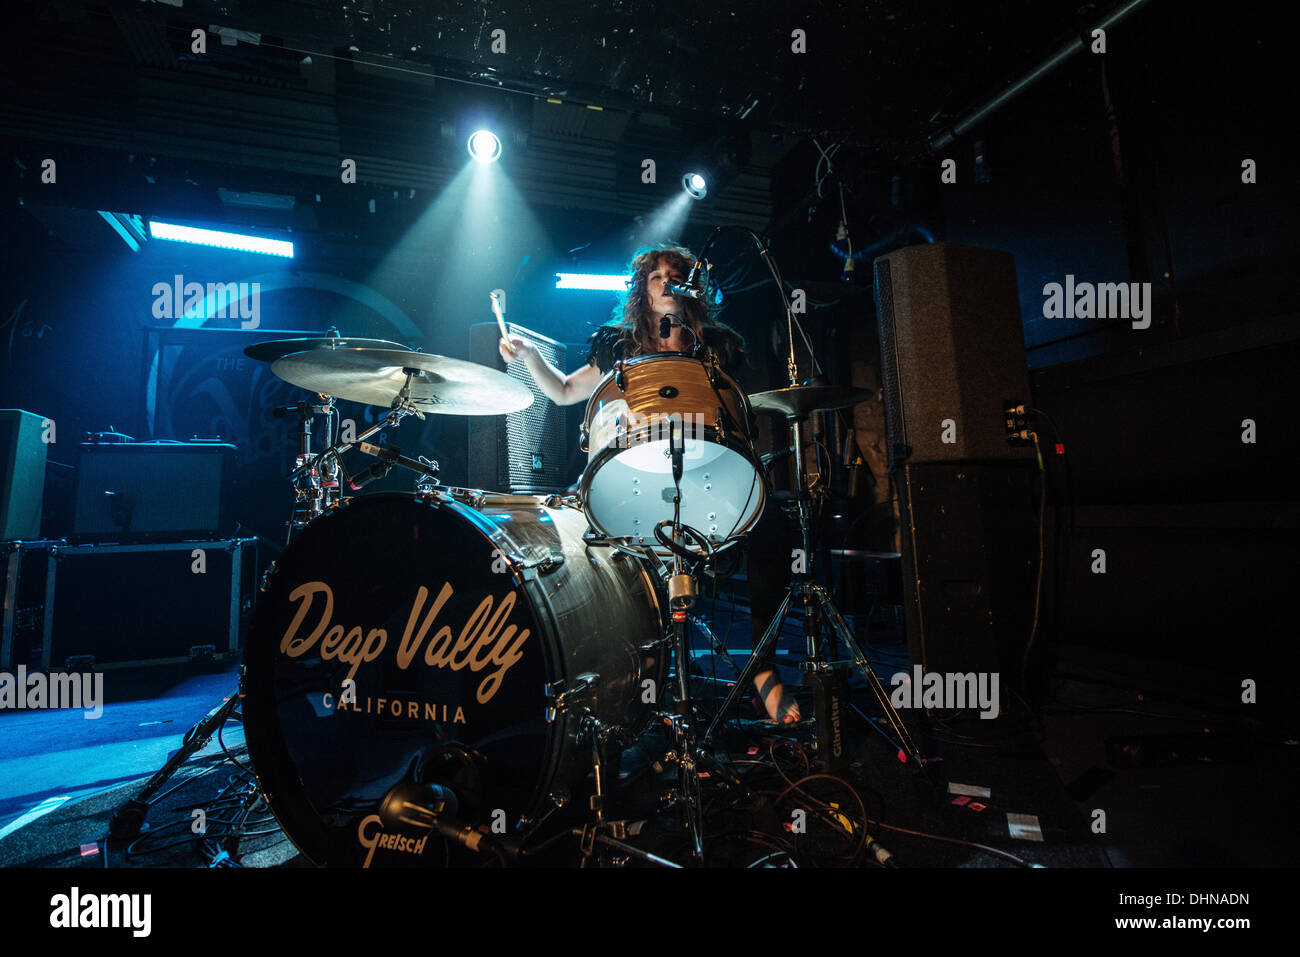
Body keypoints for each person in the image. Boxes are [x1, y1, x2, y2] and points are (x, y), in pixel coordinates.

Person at [499, 244, 801, 724]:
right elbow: (563, 392)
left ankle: (764, 672)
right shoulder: (619, 344)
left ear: (690, 287)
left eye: (675, 274)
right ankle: (637, 675)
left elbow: (736, 414)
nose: (665, 281)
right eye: (655, 275)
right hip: (635, 473)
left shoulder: (717, 344)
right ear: (642, 290)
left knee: (773, 525)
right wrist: (530, 357)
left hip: (707, 470)